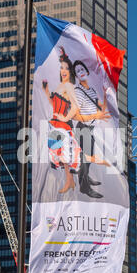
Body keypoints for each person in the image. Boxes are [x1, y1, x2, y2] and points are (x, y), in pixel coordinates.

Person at [42, 47, 81, 194]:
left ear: (70, 71)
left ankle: (69, 181)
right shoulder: (60, 86)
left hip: (62, 125)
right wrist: (46, 93)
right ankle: (68, 181)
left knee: (62, 154)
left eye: (66, 68)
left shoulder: (68, 86)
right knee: (54, 154)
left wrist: (65, 117)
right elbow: (54, 105)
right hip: (55, 123)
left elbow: (75, 106)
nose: (63, 71)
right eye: (61, 68)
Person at [73, 60, 111, 199]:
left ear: (86, 72)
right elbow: (76, 115)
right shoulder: (78, 92)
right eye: (77, 71)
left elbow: (102, 108)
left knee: (88, 158)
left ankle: (85, 178)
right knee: (85, 158)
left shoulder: (92, 91)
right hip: (83, 128)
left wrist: (106, 96)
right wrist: (96, 115)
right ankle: (84, 187)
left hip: (90, 128)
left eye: (82, 69)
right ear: (76, 76)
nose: (81, 72)